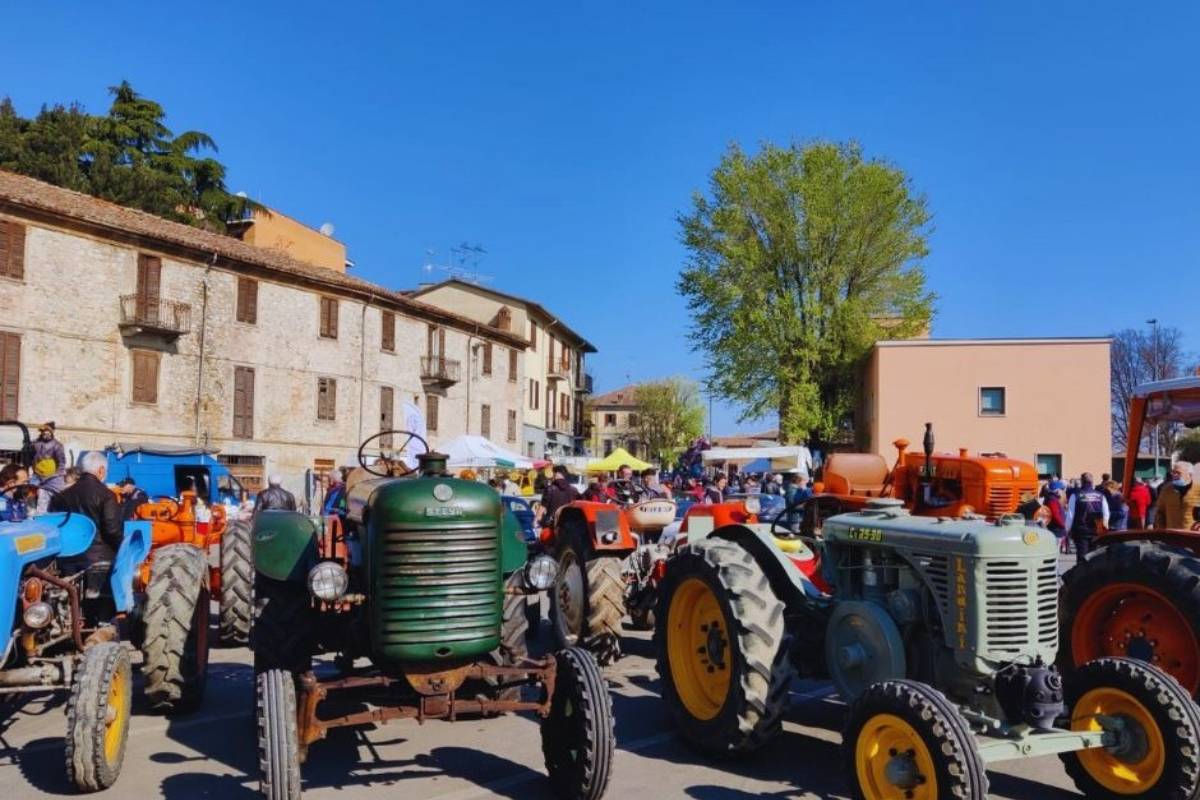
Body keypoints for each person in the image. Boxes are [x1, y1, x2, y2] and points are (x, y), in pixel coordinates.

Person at [48, 451, 123, 565]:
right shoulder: (107, 495)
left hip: (66, 556)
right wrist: (123, 546)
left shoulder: (60, 496)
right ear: (101, 470)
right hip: (98, 558)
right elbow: (112, 530)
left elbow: (53, 525)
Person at [1064, 472, 1109, 558]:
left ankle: (1082, 570)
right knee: (1094, 557)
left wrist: (1067, 529)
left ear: (1082, 481)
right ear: (1092, 481)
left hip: (1081, 530)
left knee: (1082, 556)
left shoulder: (1075, 495)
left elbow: (1070, 515)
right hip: (1096, 529)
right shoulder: (1100, 495)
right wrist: (1104, 527)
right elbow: (1106, 514)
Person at [1155, 462, 1200, 530]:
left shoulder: (1198, 489)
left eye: (1178, 473)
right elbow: (1160, 512)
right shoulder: (1166, 490)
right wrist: (1161, 529)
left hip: (1193, 535)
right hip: (1172, 535)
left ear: (1190, 475)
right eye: (1173, 472)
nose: (1174, 475)